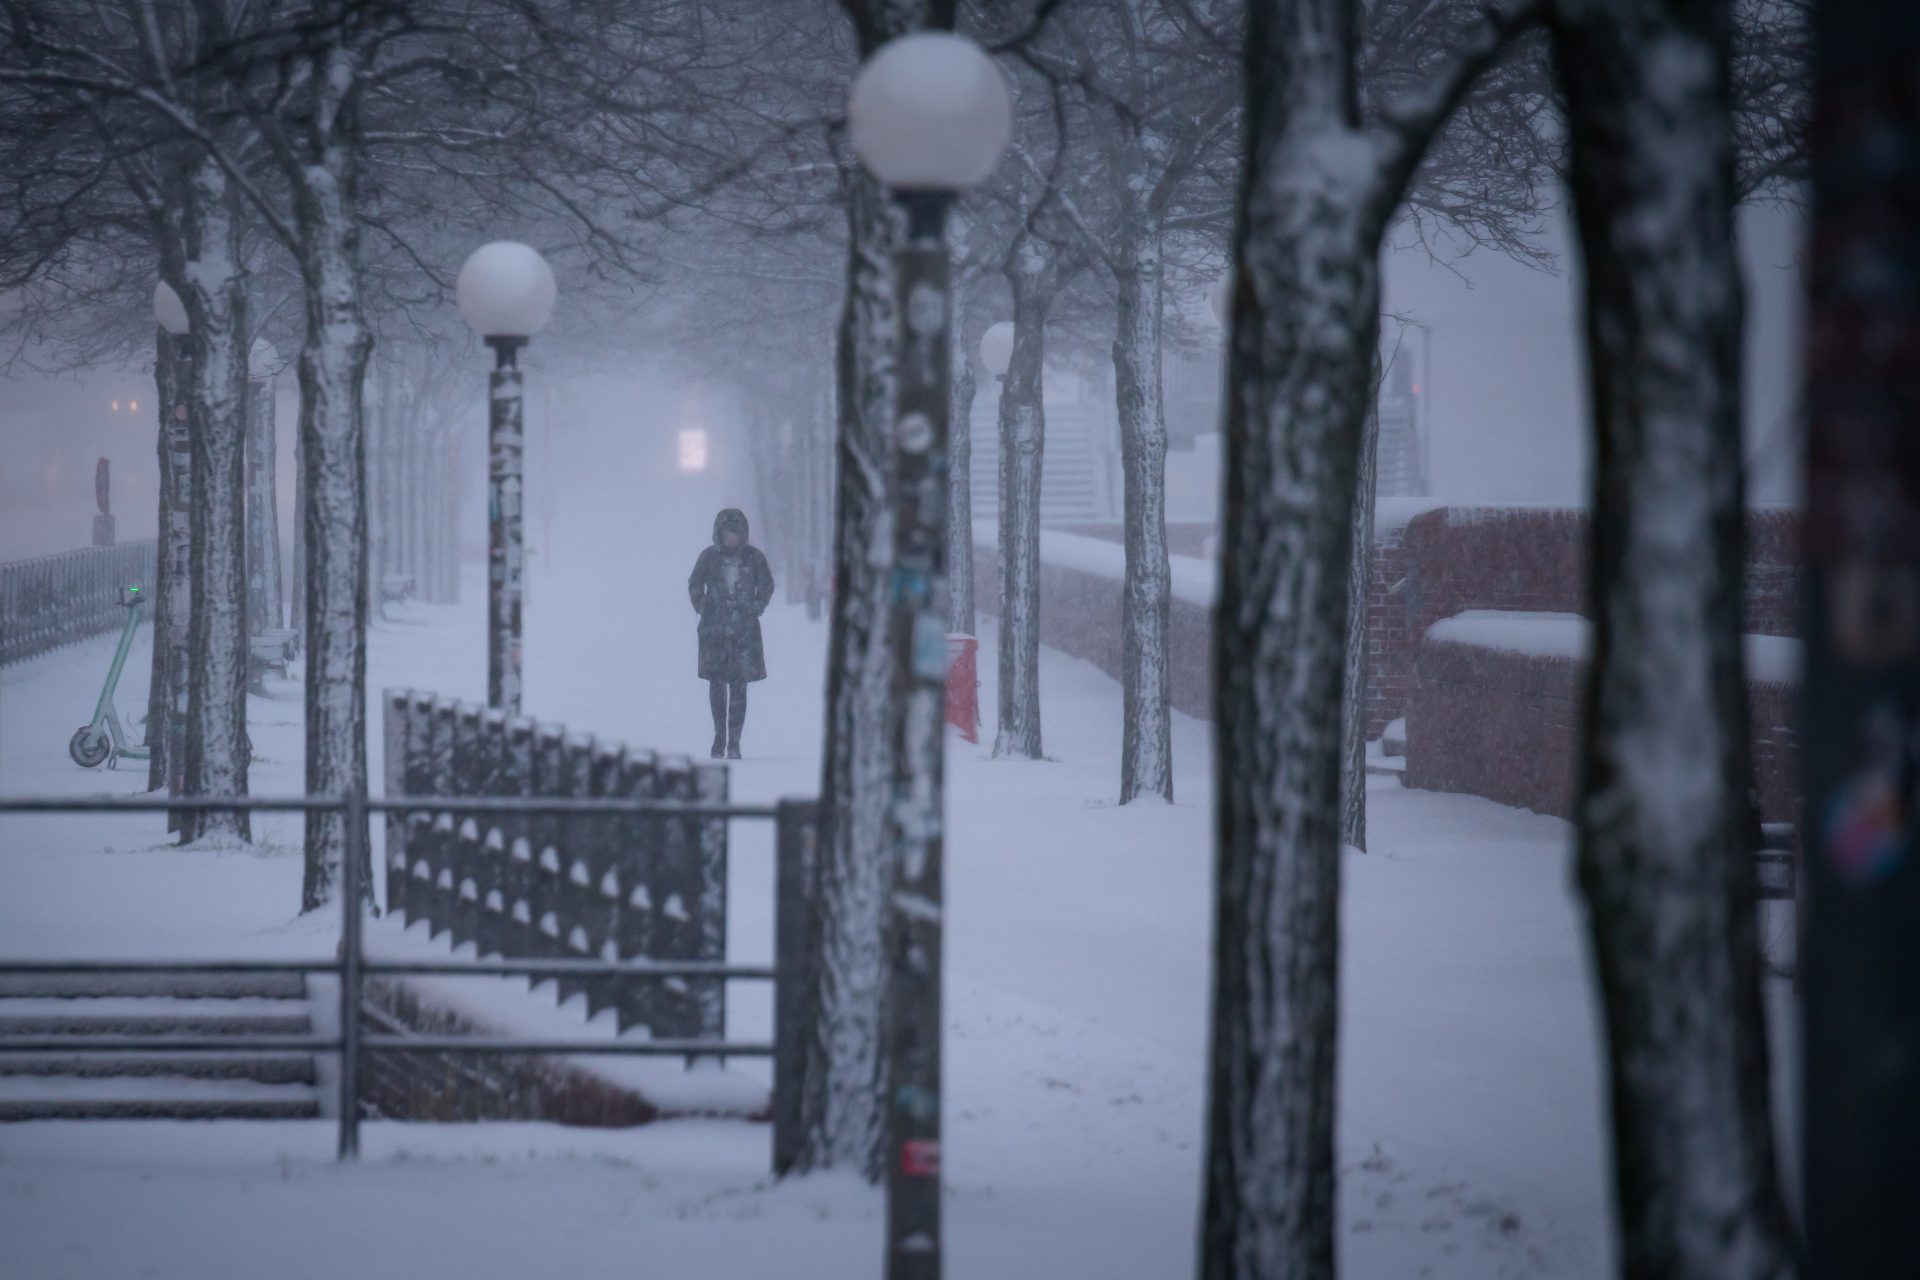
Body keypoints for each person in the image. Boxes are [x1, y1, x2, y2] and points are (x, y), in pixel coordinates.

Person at [687, 508, 774, 759]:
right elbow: (694, 584)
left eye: (736, 534)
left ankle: (734, 742)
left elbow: (766, 585)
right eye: (728, 534)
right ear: (720, 534)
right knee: (716, 686)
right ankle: (719, 738)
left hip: (744, 632)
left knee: (739, 687)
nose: (732, 539)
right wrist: (703, 607)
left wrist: (757, 606)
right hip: (714, 631)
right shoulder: (708, 558)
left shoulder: (755, 558)